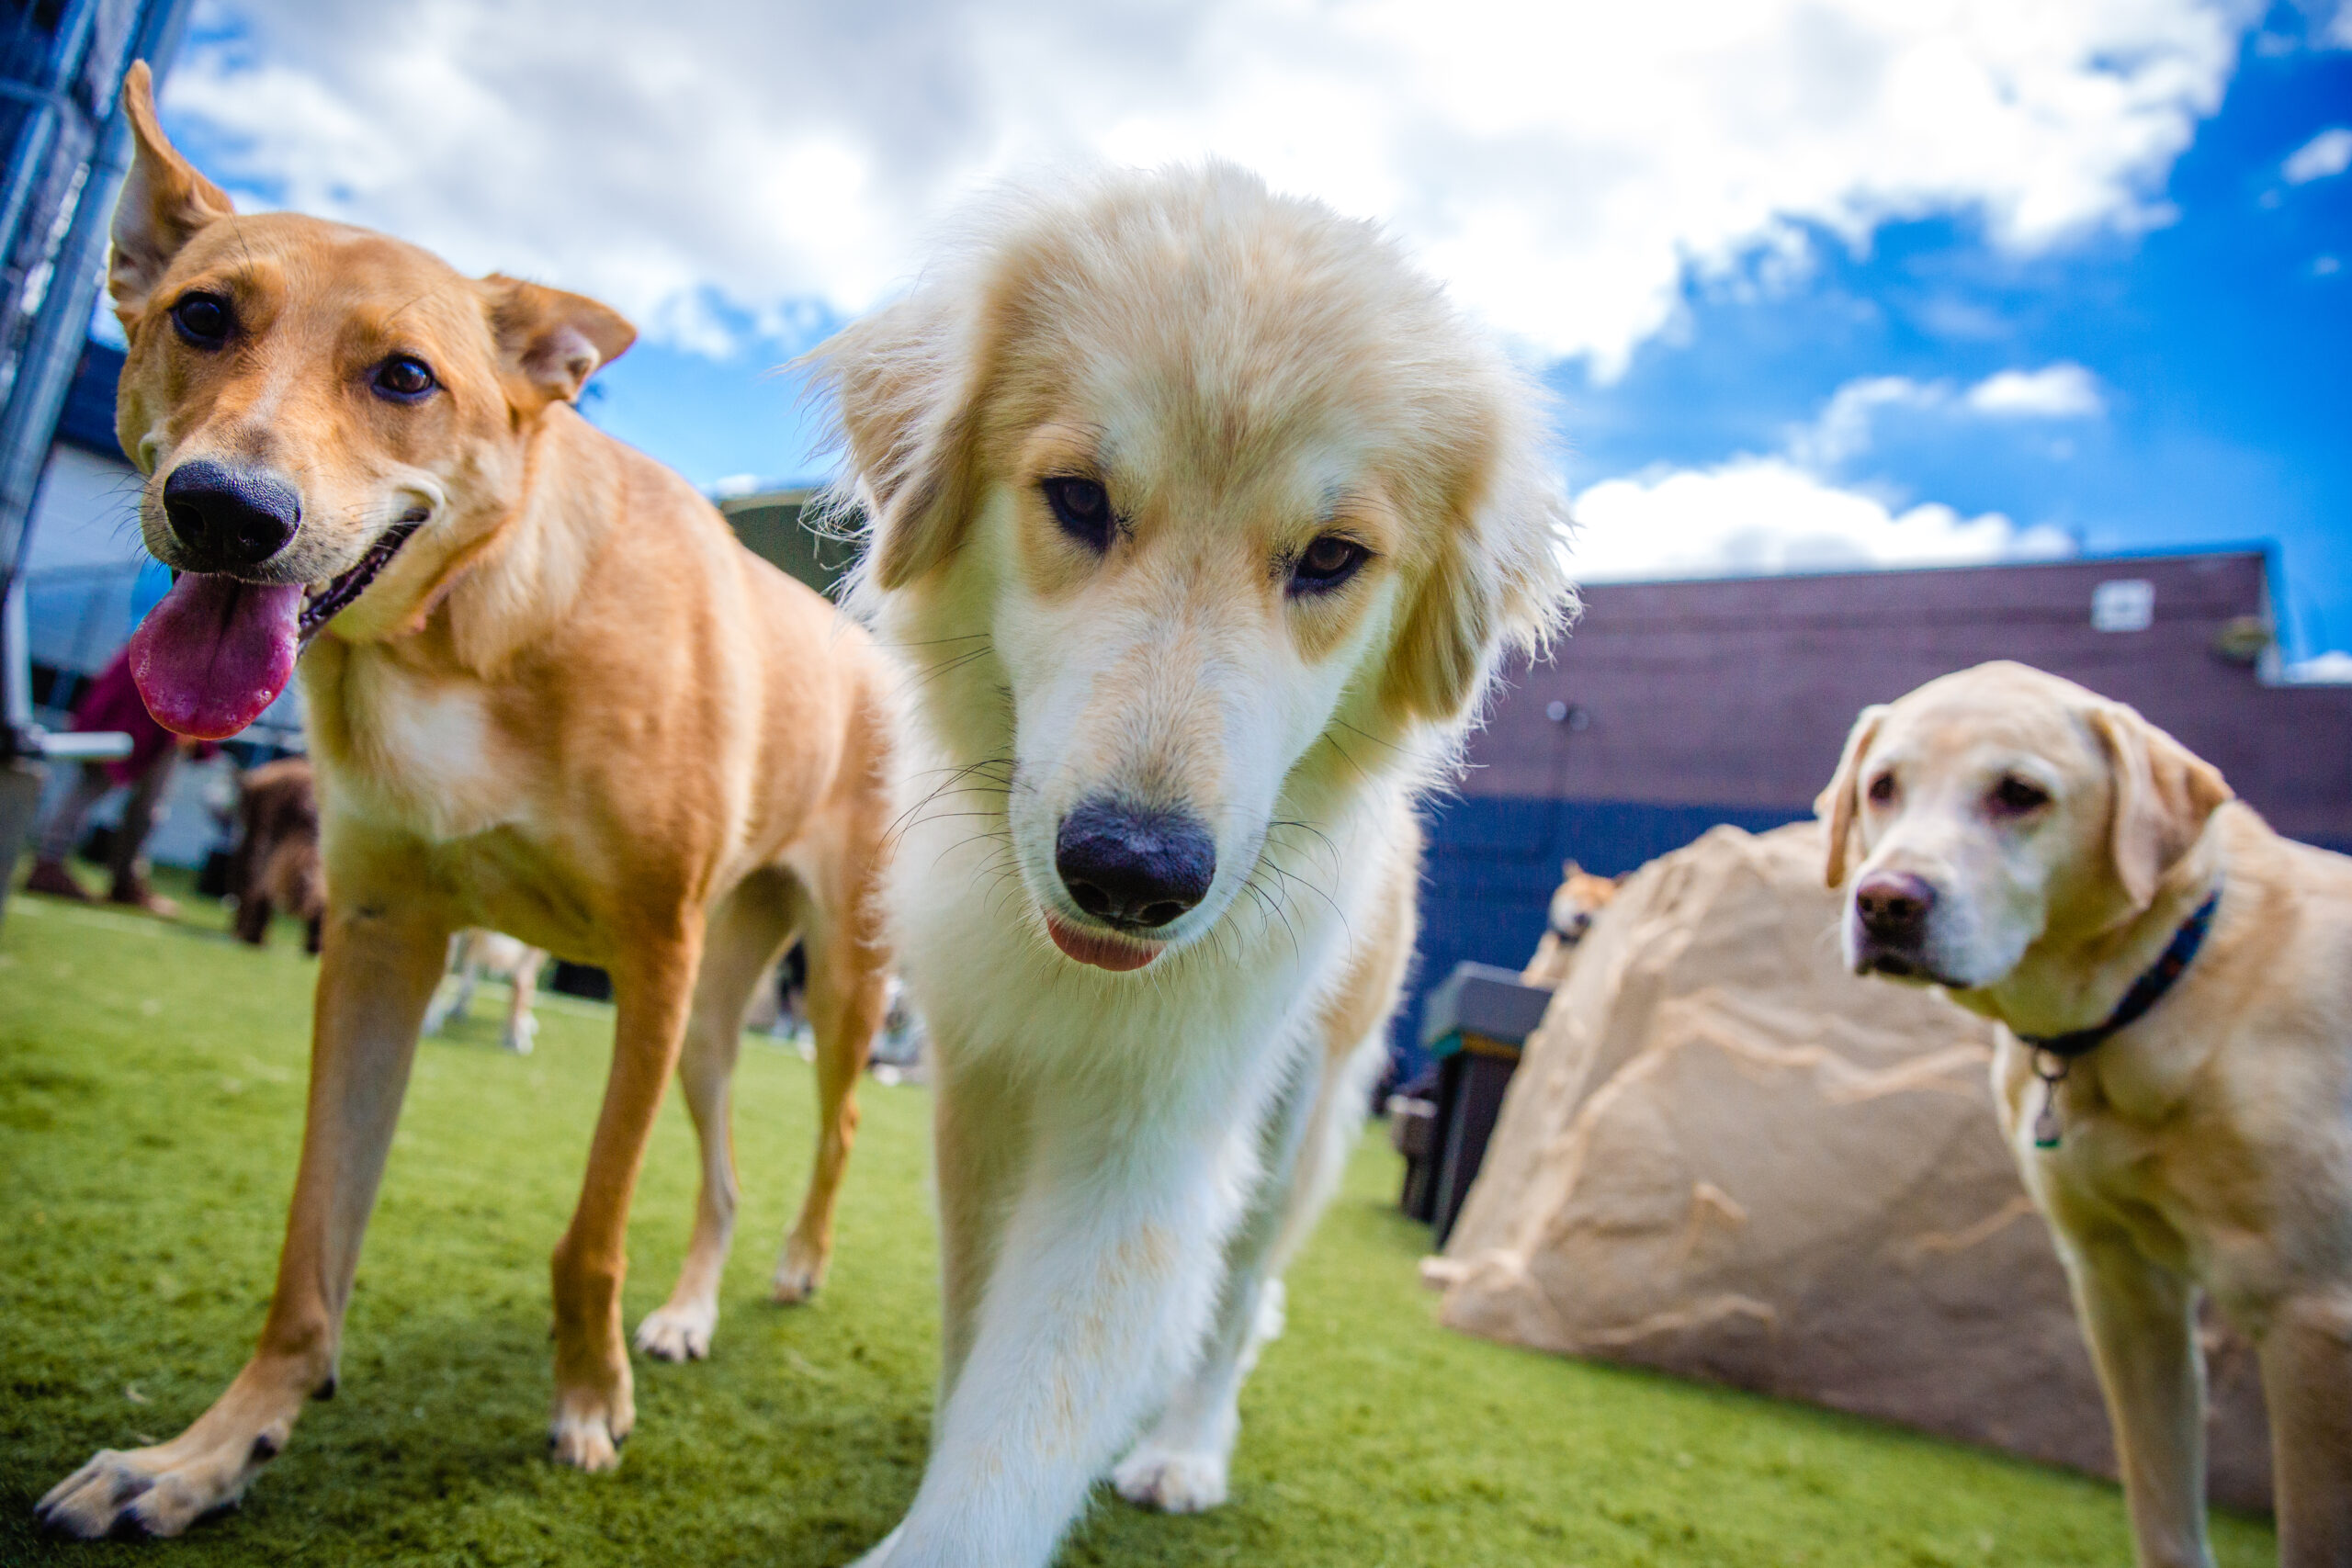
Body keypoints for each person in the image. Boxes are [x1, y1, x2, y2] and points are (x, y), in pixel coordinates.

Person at [22, 645, 211, 916]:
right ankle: (48, 864)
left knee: (146, 806)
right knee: (94, 785)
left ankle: (125, 880)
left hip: (168, 701)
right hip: (143, 697)